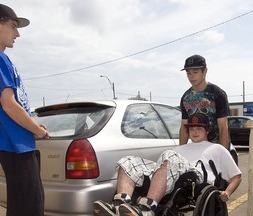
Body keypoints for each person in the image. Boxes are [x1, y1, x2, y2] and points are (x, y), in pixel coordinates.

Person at [93, 113, 241, 216]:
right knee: (128, 161)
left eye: (199, 128)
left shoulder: (216, 148)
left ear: (207, 130)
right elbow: (163, 167)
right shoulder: (179, 148)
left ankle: (147, 208)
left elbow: (237, 176)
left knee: (169, 155)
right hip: (169, 172)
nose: (194, 132)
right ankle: (120, 203)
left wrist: (227, 192)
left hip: (194, 179)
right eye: (191, 128)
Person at [0, 3, 49, 216]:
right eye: (13, 26)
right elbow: (8, 104)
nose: (17, 33)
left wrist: (33, 126)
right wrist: (37, 130)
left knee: (23, 207)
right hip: (15, 146)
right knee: (30, 208)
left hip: (16, 144)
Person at [179, 54, 230, 150]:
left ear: (205, 71)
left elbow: (223, 128)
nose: (192, 76)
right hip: (195, 149)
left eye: (195, 72)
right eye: (188, 73)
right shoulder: (186, 97)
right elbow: (184, 127)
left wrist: (221, 154)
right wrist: (181, 153)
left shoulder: (217, 94)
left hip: (215, 148)